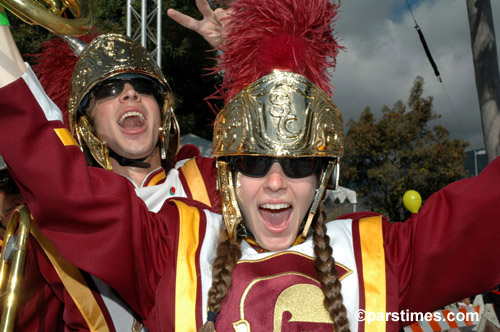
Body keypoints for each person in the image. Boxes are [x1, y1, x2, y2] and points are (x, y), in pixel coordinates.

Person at [2, 1, 500, 332]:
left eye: (298, 166)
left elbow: (280, 122)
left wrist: (255, 56)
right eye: (108, 91)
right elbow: (62, 183)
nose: (276, 180)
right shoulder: (168, 245)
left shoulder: (377, 255)